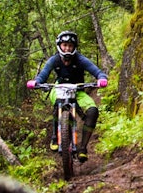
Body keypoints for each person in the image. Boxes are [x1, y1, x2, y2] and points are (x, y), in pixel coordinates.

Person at [26, 30, 109, 162]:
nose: (67, 48)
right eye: (65, 45)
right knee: (57, 102)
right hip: (59, 87)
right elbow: (43, 74)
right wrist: (37, 82)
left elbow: (97, 71)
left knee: (93, 111)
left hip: (78, 89)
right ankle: (55, 136)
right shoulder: (54, 59)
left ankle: (82, 148)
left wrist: (102, 78)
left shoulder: (80, 59)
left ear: (74, 47)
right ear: (59, 45)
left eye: (70, 46)